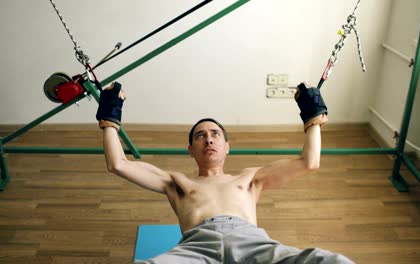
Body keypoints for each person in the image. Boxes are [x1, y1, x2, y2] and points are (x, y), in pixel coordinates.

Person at [96, 82, 354, 263]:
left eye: (215, 134)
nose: (208, 139)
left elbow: (310, 162)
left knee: (326, 261)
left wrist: (313, 117)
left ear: (226, 146)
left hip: (252, 246)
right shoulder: (177, 182)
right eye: (200, 136)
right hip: (197, 248)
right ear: (191, 149)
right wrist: (110, 117)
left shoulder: (250, 178)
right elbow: (118, 164)